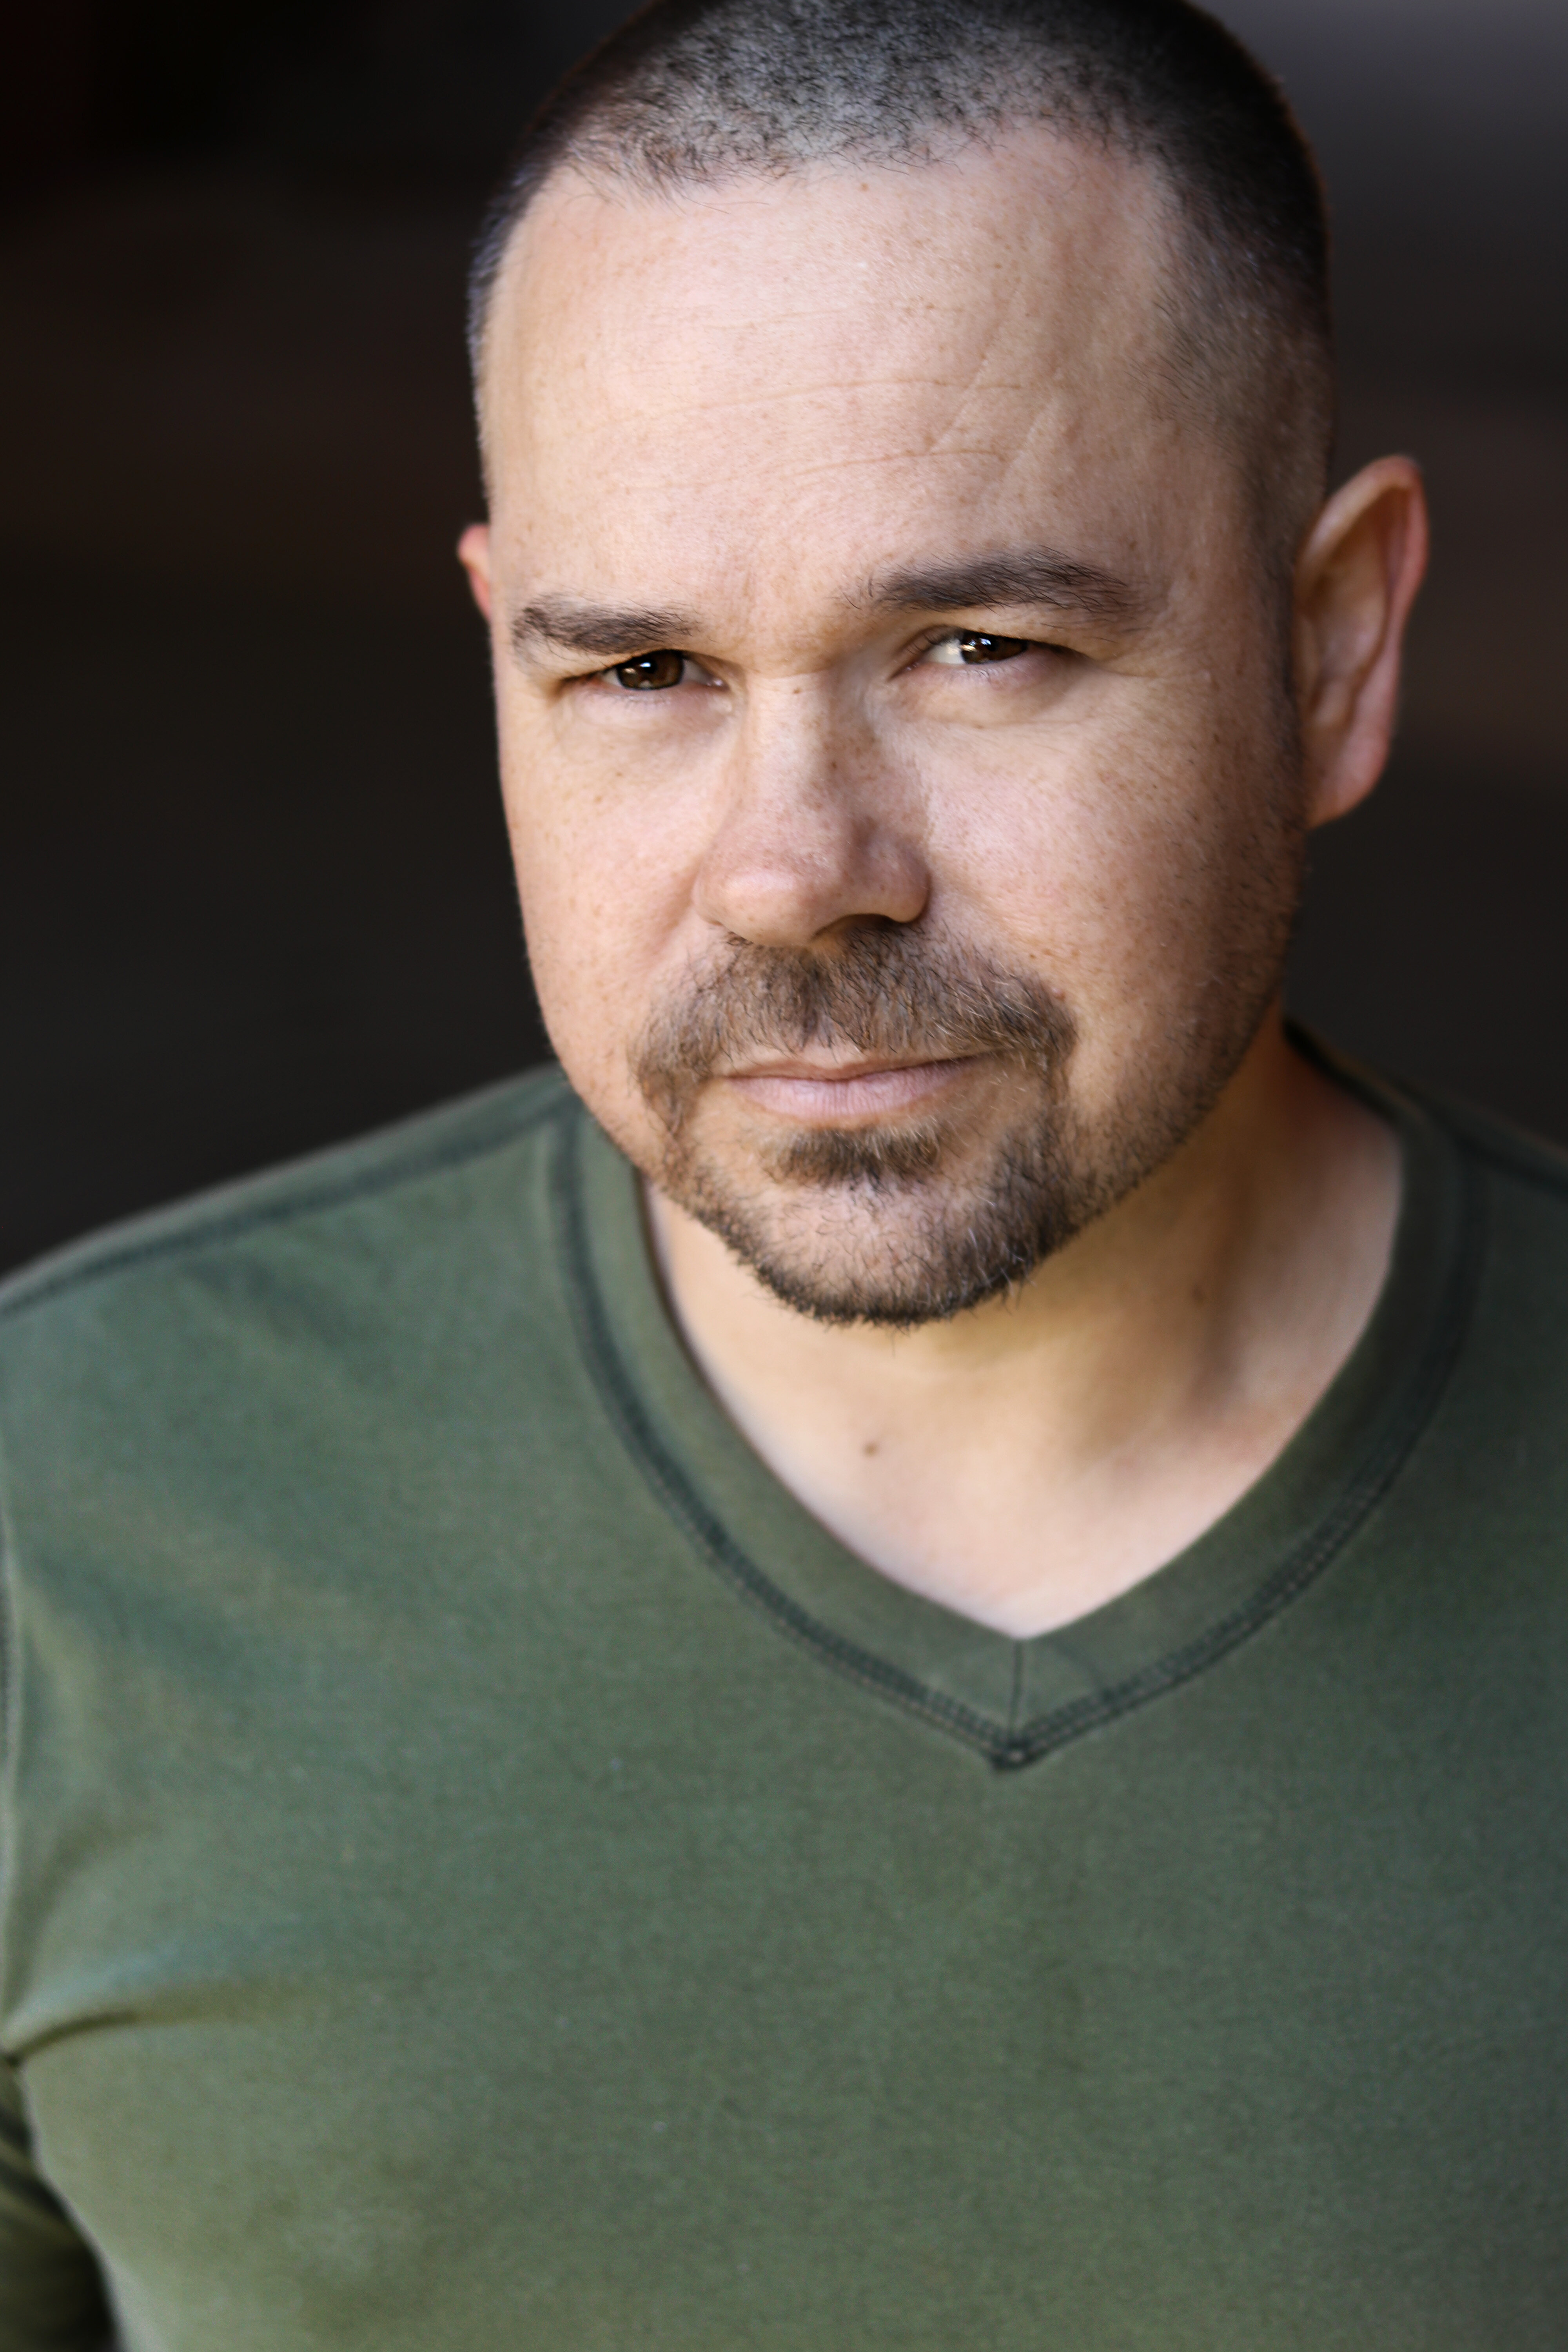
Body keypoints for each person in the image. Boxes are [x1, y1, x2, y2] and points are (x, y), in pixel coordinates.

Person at [3, 0, 1565, 2342]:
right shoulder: (66, 1524)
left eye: (979, 645)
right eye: (643, 674)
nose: (794, 874)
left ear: (1332, 653)